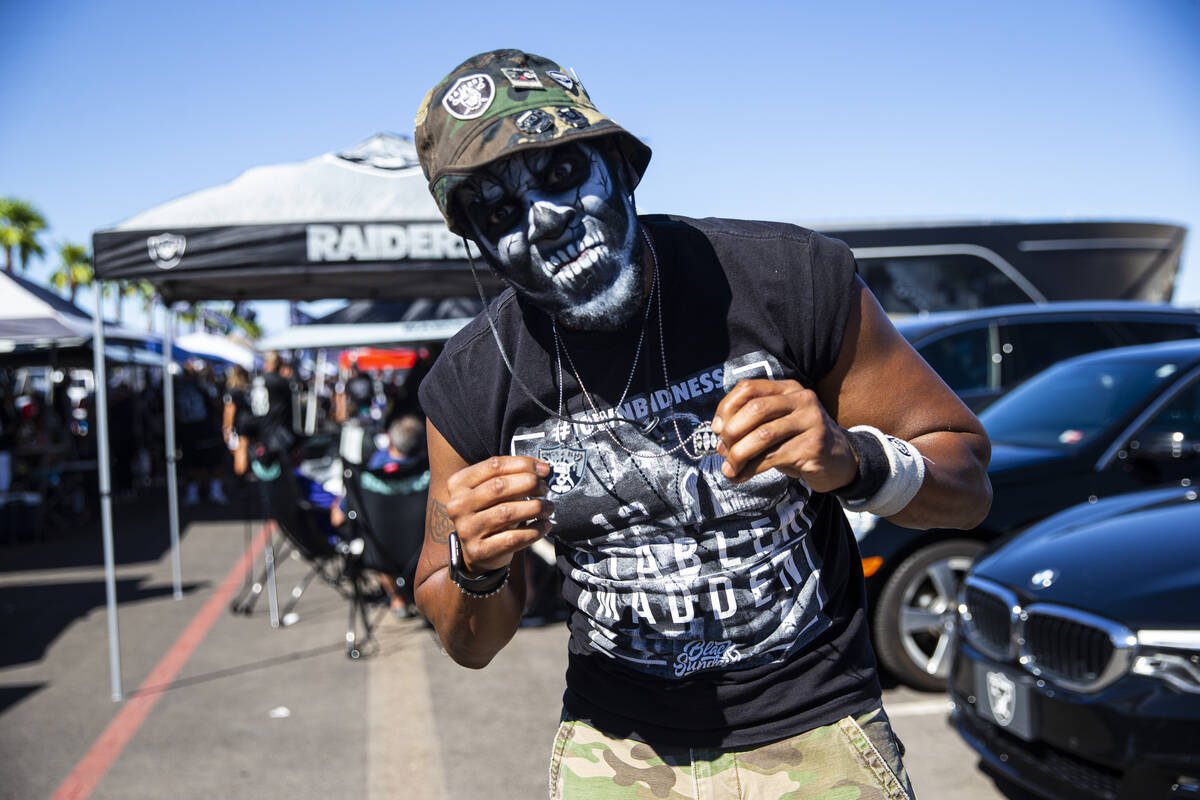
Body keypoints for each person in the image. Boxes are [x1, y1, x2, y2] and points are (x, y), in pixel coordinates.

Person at [412, 49, 992, 799]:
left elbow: (969, 481)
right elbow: (466, 639)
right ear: (480, 244)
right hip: (617, 750)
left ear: (619, 164)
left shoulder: (783, 279)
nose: (544, 222)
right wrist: (474, 564)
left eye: (559, 175)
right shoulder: (472, 379)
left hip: (814, 729)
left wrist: (854, 458)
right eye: (498, 212)